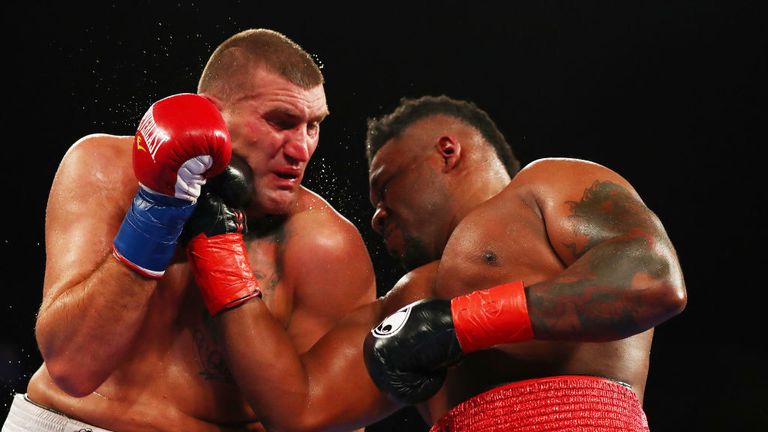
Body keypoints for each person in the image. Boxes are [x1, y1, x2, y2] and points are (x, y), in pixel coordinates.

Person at [186, 95, 687, 431]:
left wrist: (461, 323)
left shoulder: (548, 185)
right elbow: (299, 409)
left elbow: (652, 281)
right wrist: (218, 248)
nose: (378, 216)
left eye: (385, 185)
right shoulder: (409, 300)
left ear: (446, 151)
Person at [2, 29, 375, 431]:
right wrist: (159, 213)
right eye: (281, 122)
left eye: (313, 126)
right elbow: (72, 368)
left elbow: (324, 419)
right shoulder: (104, 170)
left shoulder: (326, 245)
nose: (301, 149)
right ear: (212, 113)